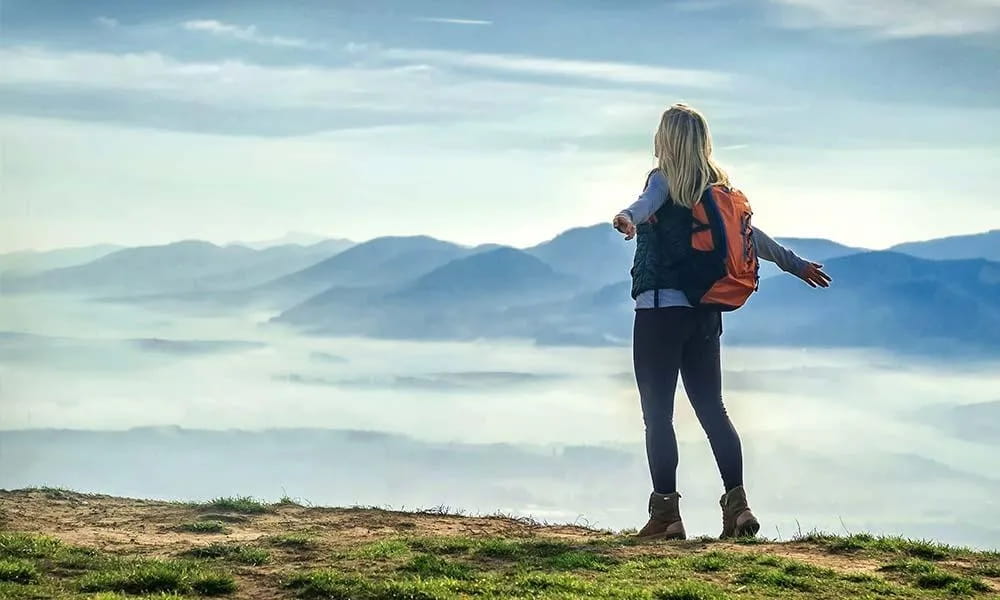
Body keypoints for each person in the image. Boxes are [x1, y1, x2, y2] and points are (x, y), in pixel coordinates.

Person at [612, 103, 830, 540]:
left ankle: (666, 516)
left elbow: (643, 204)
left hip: (660, 312)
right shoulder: (719, 189)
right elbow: (753, 238)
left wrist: (627, 220)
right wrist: (795, 264)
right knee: (713, 410)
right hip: (706, 314)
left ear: (666, 140)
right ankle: (738, 507)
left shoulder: (663, 179)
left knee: (658, 415)